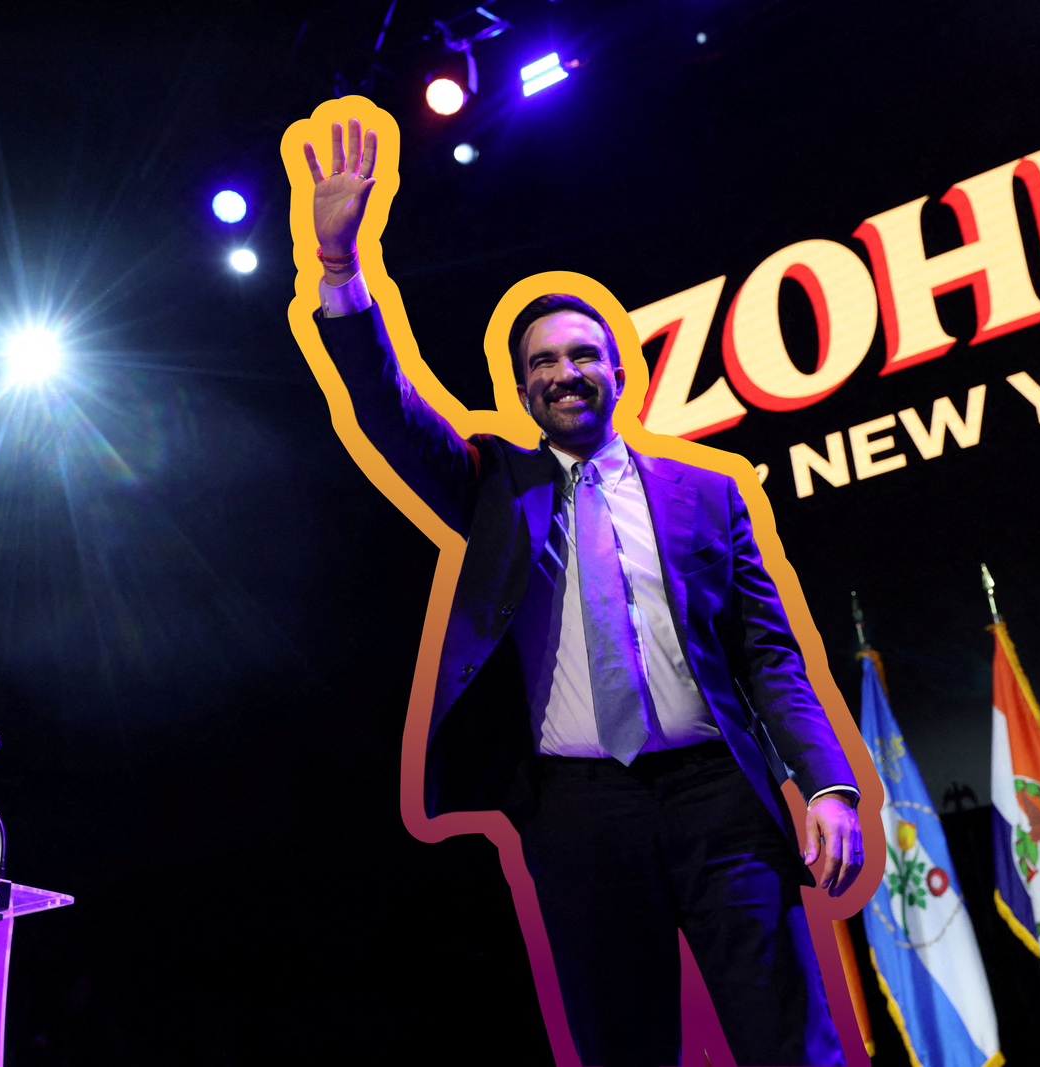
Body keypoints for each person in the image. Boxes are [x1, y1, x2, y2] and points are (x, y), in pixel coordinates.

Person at [302, 118, 863, 1066]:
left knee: (788, 1042)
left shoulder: (709, 493)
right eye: (543, 364)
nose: (565, 373)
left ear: (616, 368)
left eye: (581, 355)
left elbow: (770, 656)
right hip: (576, 808)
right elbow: (388, 411)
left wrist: (830, 783)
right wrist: (336, 261)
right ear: (524, 392)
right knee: (621, 1043)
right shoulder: (492, 487)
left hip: (719, 797)